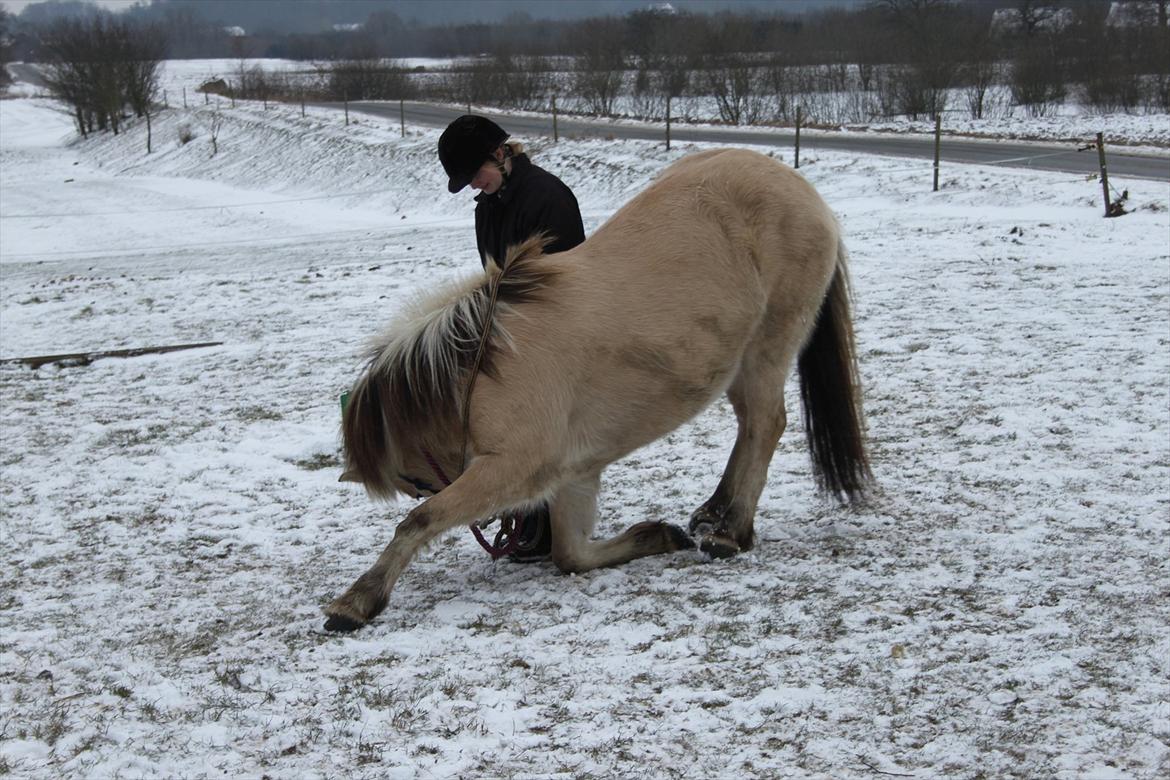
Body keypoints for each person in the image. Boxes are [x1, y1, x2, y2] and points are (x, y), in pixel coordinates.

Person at [437, 114, 586, 560]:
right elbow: (493, 276)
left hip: (552, 334)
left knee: (546, 434)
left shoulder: (548, 197)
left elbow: (564, 277)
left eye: (474, 175)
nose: (473, 186)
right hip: (512, 335)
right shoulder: (489, 206)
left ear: (501, 154)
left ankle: (546, 524)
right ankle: (529, 519)